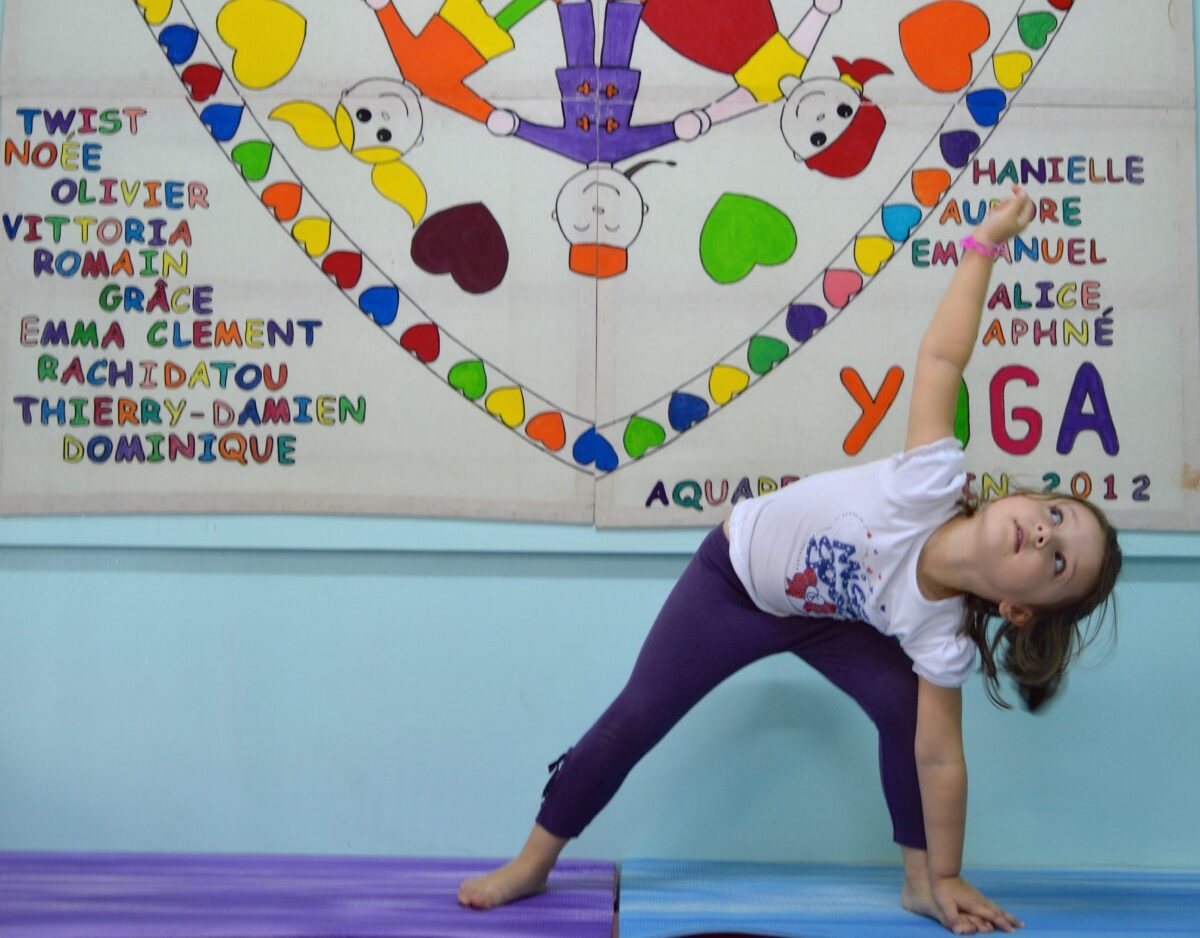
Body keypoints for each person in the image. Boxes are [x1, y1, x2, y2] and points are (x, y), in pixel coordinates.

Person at [458, 187, 1122, 934]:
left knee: (909, 713)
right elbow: (943, 353)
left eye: (1059, 562)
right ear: (1027, 499)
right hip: (733, 581)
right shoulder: (931, 479)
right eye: (1056, 517)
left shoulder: (941, 637)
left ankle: (916, 882)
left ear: (1020, 609)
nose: (1044, 536)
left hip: (826, 618)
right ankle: (532, 862)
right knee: (637, 713)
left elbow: (941, 760)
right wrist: (985, 245)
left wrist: (947, 872)